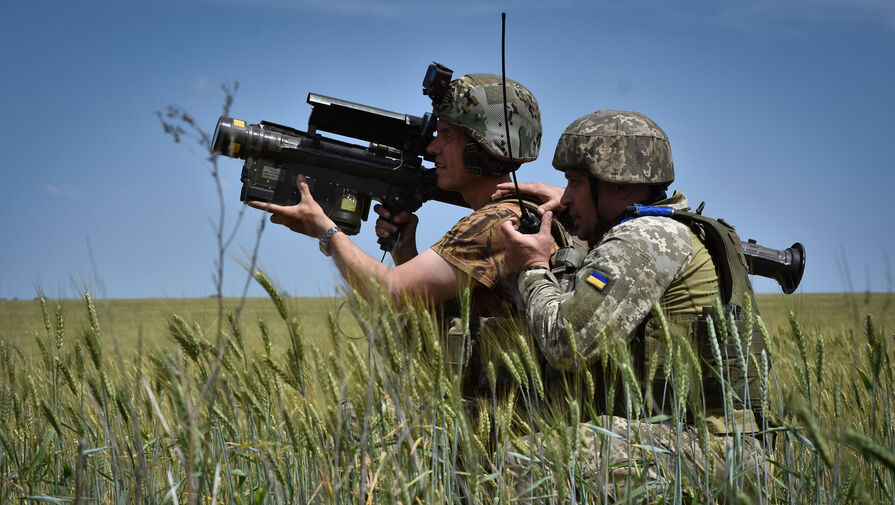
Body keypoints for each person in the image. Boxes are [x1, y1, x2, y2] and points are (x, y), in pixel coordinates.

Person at [499, 109, 769, 501]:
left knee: (525, 463)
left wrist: (534, 267)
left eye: (575, 183)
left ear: (621, 187)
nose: (566, 196)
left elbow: (565, 343)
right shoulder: (668, 226)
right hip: (712, 444)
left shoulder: (643, 239)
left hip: (709, 451)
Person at [250, 73, 566, 392]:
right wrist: (404, 252)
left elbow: (390, 294)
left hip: (505, 430)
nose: (432, 147)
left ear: (480, 148)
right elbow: (433, 313)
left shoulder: (497, 222)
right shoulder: (513, 213)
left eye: (445, 134)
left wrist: (324, 229)